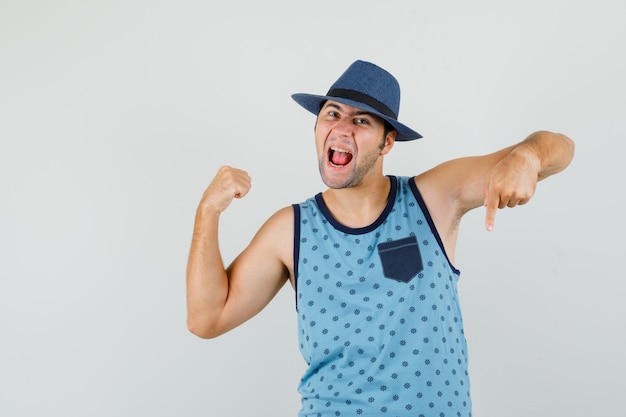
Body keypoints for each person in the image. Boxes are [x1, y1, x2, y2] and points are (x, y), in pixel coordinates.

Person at [186, 60, 575, 416]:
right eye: (332, 114)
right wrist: (208, 211)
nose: (341, 128)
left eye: (361, 121)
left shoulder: (434, 198)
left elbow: (561, 147)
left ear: (387, 142)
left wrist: (528, 156)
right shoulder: (290, 229)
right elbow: (207, 318)